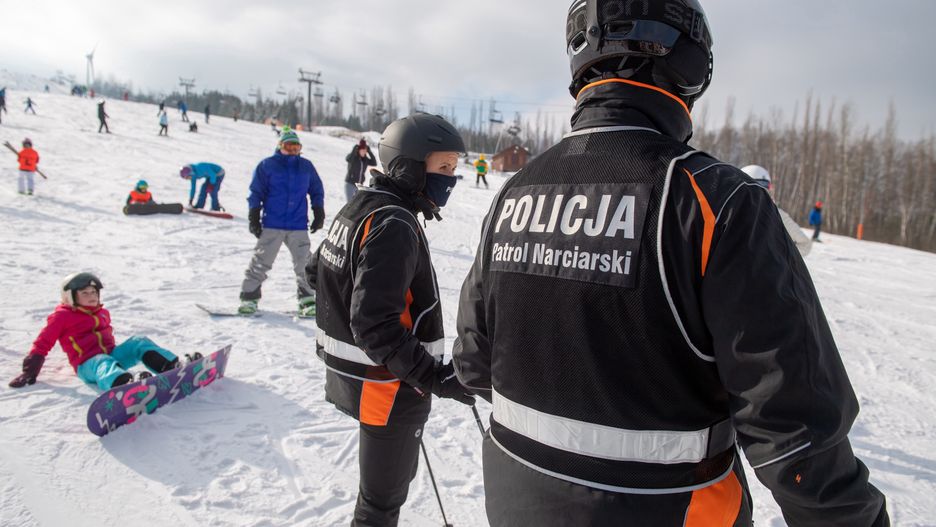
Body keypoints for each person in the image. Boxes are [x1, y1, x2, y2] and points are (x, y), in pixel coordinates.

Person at [453, 2, 890, 526]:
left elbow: (474, 364)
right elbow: (795, 433)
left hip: (516, 498)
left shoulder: (513, 195)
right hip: (671, 509)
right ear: (690, 65)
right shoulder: (716, 199)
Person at [309, 114, 474, 526]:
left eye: (454, 169)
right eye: (443, 167)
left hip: (363, 380)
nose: (450, 179)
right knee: (380, 505)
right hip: (390, 389)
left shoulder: (361, 206)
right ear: (409, 166)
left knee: (378, 495)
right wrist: (434, 377)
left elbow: (318, 271)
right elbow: (375, 325)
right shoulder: (394, 222)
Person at [8, 273, 181, 391]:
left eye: (94, 292)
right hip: (87, 366)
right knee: (102, 360)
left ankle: (171, 366)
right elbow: (43, 342)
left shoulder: (101, 312)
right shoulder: (62, 317)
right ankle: (124, 384)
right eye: (85, 293)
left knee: (139, 341)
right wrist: (29, 371)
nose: (92, 296)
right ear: (71, 297)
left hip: (111, 358)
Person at [238, 128, 324, 317]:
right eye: (288, 146)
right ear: (280, 146)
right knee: (261, 261)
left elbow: (316, 189)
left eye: (296, 147)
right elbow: (256, 192)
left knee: (304, 263)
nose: (293, 150)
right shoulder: (267, 165)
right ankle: (249, 298)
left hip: (297, 224)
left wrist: (319, 212)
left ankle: (307, 299)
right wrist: (254, 215)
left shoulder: (306, 166)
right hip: (273, 223)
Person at [741, 165, 811, 257]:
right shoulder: (776, 213)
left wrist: (775, 257)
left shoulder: (777, 214)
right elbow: (805, 244)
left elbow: (805, 244)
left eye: (766, 186)